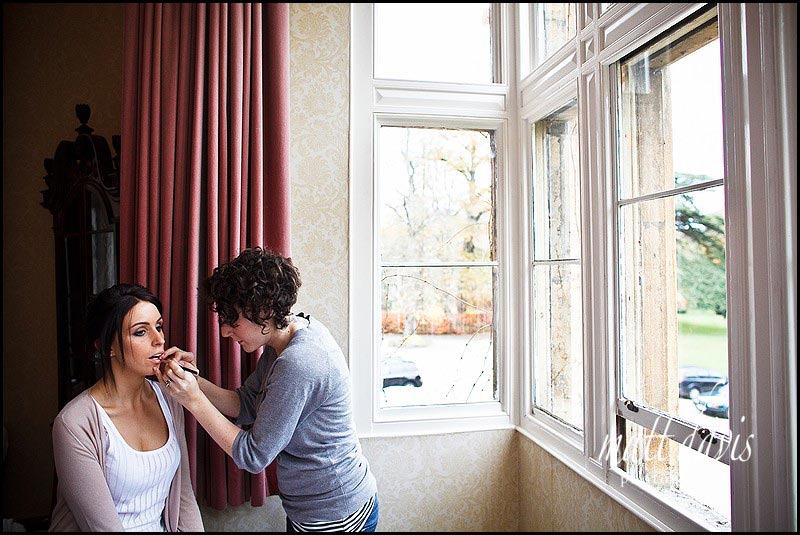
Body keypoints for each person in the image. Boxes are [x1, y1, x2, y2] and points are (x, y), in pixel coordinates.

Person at [155, 247, 379, 532]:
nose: (224, 331)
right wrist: (193, 380)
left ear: (265, 311)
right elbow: (247, 403)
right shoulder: (288, 336)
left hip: (334, 513)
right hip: (315, 507)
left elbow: (253, 455)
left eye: (232, 320)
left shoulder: (299, 362)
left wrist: (193, 400)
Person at [49, 283, 204, 532]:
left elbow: (185, 498)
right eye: (140, 332)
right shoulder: (74, 424)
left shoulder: (169, 399)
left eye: (159, 326)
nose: (159, 340)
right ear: (106, 346)